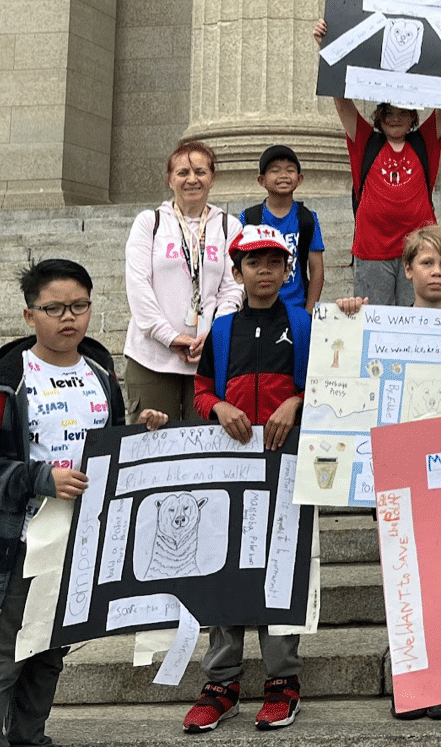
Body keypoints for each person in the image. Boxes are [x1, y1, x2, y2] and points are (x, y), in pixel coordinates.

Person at [0, 259, 165, 747]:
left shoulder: (100, 373)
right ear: (30, 316)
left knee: (48, 658)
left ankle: (31, 739)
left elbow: (105, 449)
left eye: (79, 306)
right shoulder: (3, 383)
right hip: (9, 548)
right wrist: (39, 478)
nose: (68, 318)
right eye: (54, 308)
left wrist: (139, 432)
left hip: (75, 547)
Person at [186, 226, 315, 732]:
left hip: (287, 468)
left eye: (274, 262)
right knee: (223, 568)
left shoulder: (304, 324)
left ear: (288, 272)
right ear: (237, 272)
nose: (264, 270)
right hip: (229, 472)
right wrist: (218, 405)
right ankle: (222, 683)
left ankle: (284, 681)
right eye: (253, 262)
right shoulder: (221, 330)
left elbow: (328, 385)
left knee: (281, 568)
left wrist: (296, 400)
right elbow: (198, 390)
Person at [311, 20, 441, 307]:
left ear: (413, 118)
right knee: (375, 321)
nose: (395, 118)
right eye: (389, 112)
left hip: (421, 251)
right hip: (372, 251)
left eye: (403, 112)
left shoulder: (425, 142)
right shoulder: (365, 141)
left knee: (420, 319)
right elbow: (342, 101)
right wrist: (328, 46)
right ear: (379, 117)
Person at [124, 139, 242, 424]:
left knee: (201, 446)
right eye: (182, 173)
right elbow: (138, 285)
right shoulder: (149, 223)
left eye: (200, 172)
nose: (192, 179)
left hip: (208, 359)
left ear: (212, 178)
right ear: (169, 179)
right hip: (151, 358)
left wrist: (215, 334)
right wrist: (168, 336)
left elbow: (233, 288)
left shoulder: (229, 226)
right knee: (150, 443)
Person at [240, 144, 325, 318]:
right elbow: (238, 265)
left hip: (296, 309)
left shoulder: (307, 219)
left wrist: (308, 312)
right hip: (256, 308)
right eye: (275, 170)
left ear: (299, 179)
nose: (283, 176)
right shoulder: (249, 218)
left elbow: (316, 269)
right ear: (261, 180)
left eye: (290, 170)